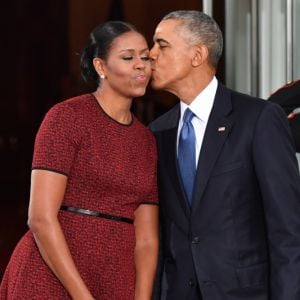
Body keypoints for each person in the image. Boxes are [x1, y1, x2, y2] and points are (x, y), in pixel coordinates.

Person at [0, 21, 159, 300]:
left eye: (145, 56)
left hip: (116, 278)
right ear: (100, 67)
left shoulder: (146, 139)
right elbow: (39, 217)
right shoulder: (67, 118)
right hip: (51, 275)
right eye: (128, 57)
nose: (140, 65)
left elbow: (146, 240)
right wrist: (82, 297)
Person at [149, 10, 300, 300]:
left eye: (162, 45)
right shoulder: (157, 132)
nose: (151, 54)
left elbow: (288, 232)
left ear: (197, 55)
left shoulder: (258, 119)